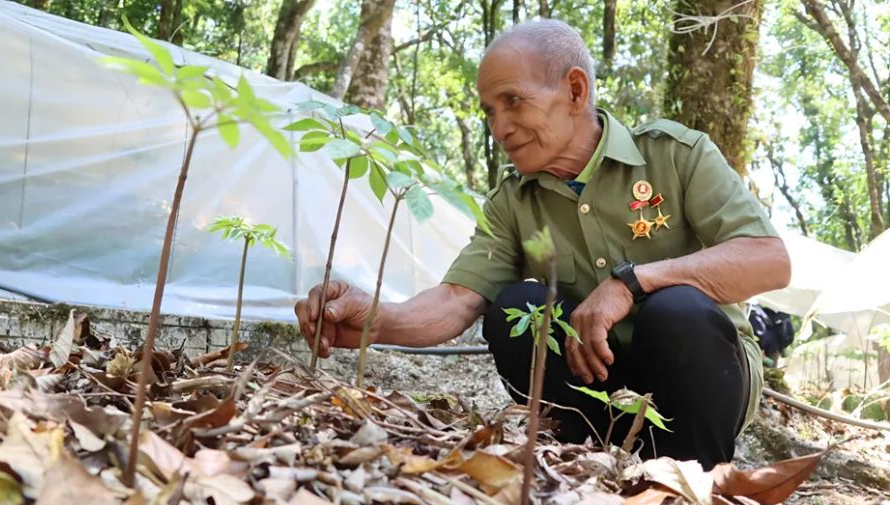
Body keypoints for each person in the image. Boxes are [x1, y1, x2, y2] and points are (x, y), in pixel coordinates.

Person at [294, 20, 790, 469]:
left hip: (703, 378)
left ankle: (694, 477)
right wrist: (376, 322)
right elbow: (457, 300)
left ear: (575, 91)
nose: (499, 127)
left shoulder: (676, 156)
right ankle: (582, 462)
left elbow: (769, 261)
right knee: (517, 308)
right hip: (599, 385)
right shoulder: (513, 203)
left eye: (513, 101)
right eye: (489, 111)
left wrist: (631, 284)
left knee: (676, 310)